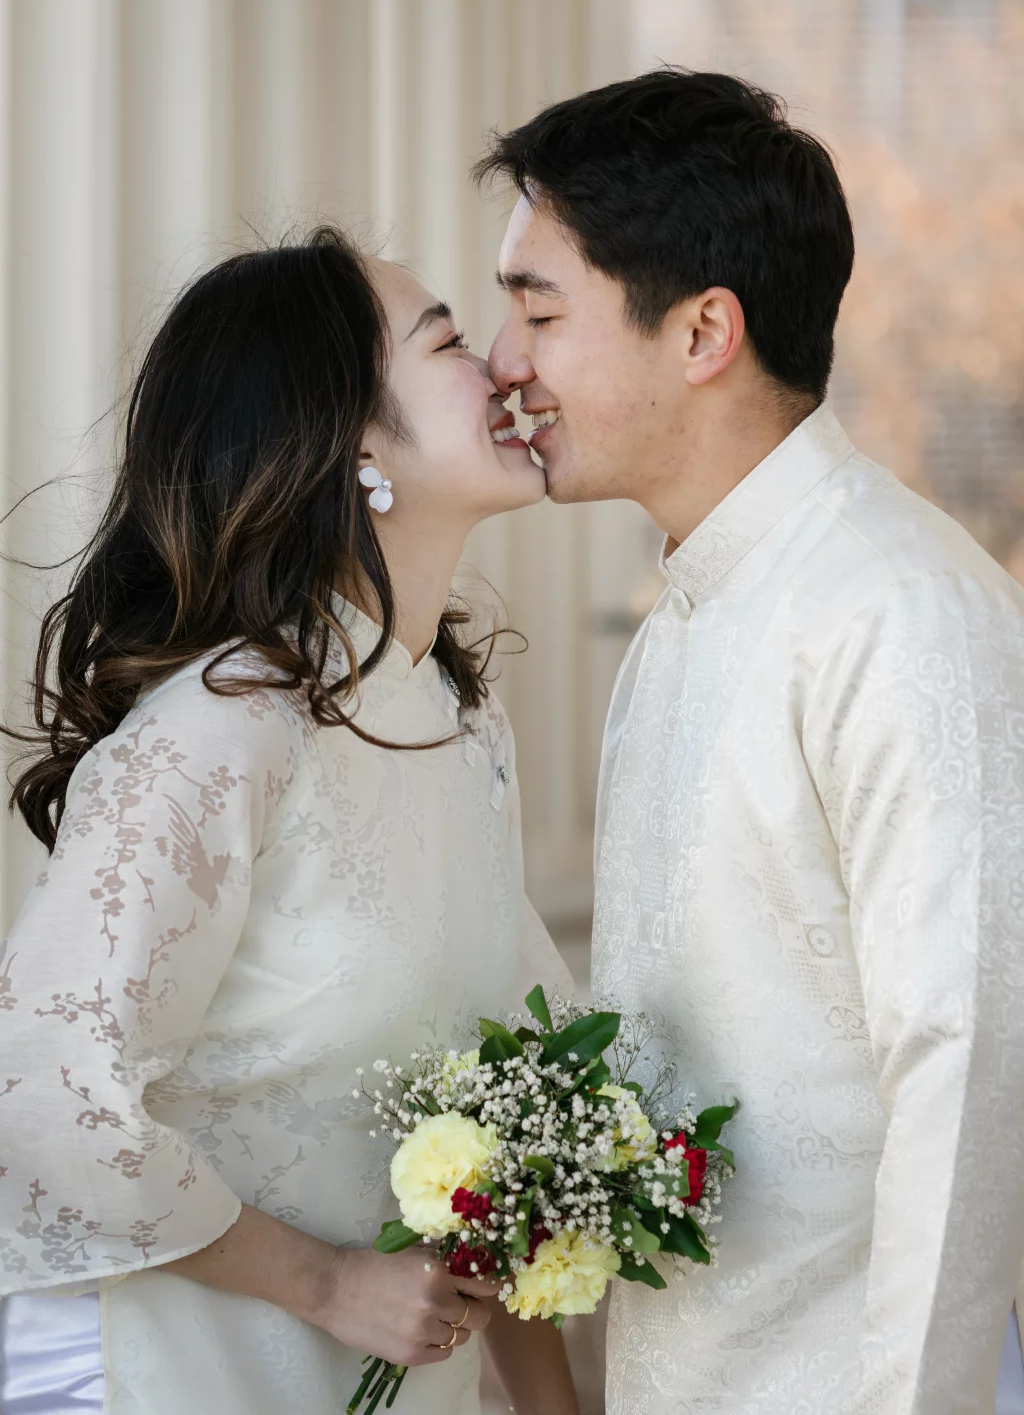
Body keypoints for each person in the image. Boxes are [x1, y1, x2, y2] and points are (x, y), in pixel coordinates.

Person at [480, 70, 1024, 1414]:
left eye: (538, 310)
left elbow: (968, 1073)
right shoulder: (684, 611)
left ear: (703, 330)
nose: (506, 363)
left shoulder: (903, 608)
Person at [0, 227, 579, 1415]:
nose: (508, 369)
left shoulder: (465, 731)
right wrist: (325, 1285)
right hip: (157, 1371)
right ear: (351, 439)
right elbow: (44, 1100)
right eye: (452, 342)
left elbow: (506, 1114)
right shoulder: (220, 732)